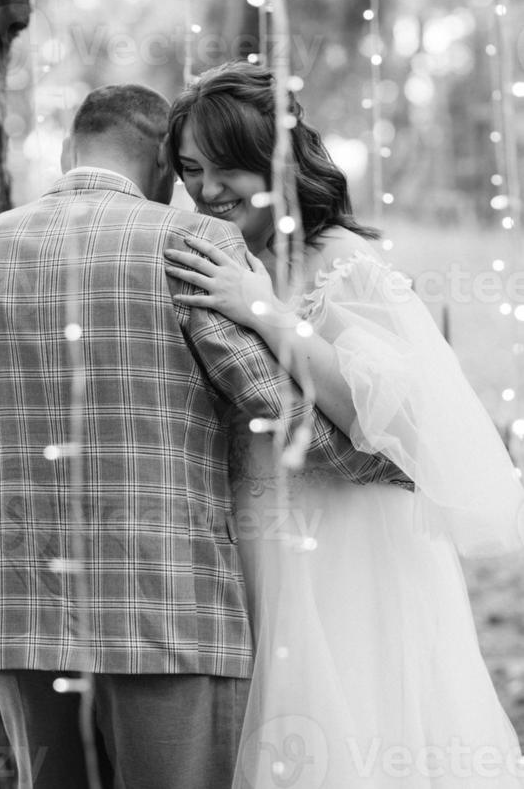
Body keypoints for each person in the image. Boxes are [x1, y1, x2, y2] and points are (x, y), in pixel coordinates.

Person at [0, 83, 406, 789]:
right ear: (163, 164)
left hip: (22, 613)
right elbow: (275, 413)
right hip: (172, 613)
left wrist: (23, 497)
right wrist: (393, 458)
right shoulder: (188, 244)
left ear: (73, 151)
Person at [165, 60, 524, 788]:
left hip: (350, 536)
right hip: (260, 536)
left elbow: (373, 413)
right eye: (191, 169)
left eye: (226, 169)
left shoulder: (345, 262)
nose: (206, 190)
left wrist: (259, 308)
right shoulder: (227, 257)